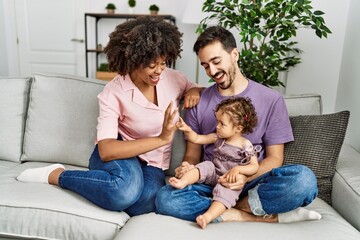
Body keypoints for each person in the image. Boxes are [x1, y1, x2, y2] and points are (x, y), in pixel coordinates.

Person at [16, 16, 202, 217]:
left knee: (146, 203)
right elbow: (106, 149)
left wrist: (194, 91)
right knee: (123, 192)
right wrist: (162, 139)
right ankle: (57, 175)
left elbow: (194, 88)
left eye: (163, 63)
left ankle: (109, 185)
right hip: (119, 154)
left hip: (153, 164)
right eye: (151, 65)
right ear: (134, 60)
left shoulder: (173, 79)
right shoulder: (114, 92)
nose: (159, 70)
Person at [155, 26, 321, 224]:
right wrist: (186, 167)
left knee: (304, 180)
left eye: (216, 62)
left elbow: (275, 159)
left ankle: (231, 211)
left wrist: (244, 178)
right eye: (206, 66)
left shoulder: (271, 99)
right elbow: (192, 154)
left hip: (253, 181)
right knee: (165, 199)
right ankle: (251, 213)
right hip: (212, 181)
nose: (212, 71)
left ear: (234, 54)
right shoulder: (198, 102)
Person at [170, 97, 261, 228]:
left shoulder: (245, 144)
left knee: (225, 191)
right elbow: (196, 138)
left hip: (228, 180)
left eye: (222, 124)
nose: (217, 126)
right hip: (214, 173)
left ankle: (208, 216)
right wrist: (187, 129)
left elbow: (254, 166)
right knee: (206, 165)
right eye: (217, 122)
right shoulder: (217, 137)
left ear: (238, 128)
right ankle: (183, 182)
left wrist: (238, 170)